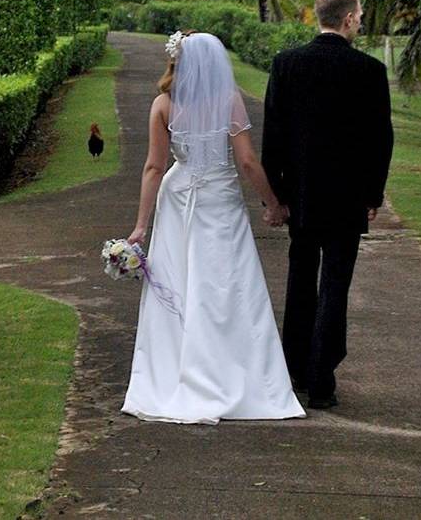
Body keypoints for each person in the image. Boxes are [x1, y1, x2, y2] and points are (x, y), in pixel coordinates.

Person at [121, 31, 305, 424]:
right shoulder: (228, 100)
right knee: (226, 284)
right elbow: (248, 163)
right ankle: (237, 375)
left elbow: (154, 167)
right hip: (219, 198)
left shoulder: (163, 105)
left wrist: (140, 226)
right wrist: (274, 204)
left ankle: (176, 373)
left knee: (181, 283)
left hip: (179, 197)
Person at [261, 0, 394, 409]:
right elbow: (380, 140)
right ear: (349, 19)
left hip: (301, 196)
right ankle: (322, 378)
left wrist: (276, 197)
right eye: (359, 16)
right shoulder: (369, 71)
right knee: (336, 284)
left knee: (301, 280)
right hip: (347, 198)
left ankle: (295, 367)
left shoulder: (287, 65)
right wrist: (373, 194)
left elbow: (274, 137)